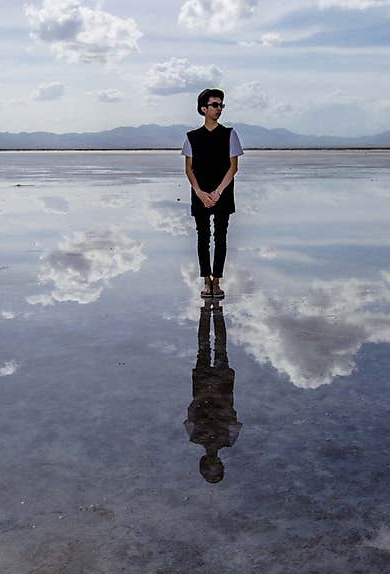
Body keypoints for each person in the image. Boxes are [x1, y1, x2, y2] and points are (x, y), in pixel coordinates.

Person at [181, 88, 244, 299]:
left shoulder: (230, 134)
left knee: (221, 236)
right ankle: (206, 281)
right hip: (200, 194)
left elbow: (233, 167)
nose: (219, 109)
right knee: (203, 237)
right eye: (215, 105)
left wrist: (217, 192)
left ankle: (217, 281)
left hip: (222, 193)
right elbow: (189, 169)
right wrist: (199, 192)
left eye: (221, 105)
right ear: (203, 109)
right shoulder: (192, 137)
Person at [184, 299, 242, 483]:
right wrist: (216, 396)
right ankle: (213, 312)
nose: (213, 462)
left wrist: (205, 395)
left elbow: (192, 410)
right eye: (216, 466)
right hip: (219, 389)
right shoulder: (227, 439)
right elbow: (232, 415)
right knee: (217, 347)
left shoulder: (196, 436)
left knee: (206, 347)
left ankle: (208, 312)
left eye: (210, 466)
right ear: (219, 463)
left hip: (206, 388)